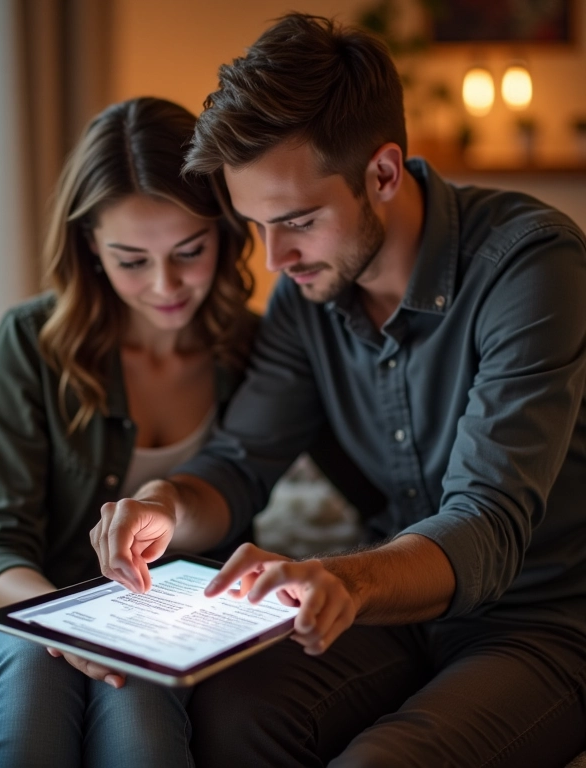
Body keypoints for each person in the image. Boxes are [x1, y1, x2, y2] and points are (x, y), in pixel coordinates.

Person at [92, 15, 586, 768]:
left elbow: (486, 522)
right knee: (229, 716)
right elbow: (239, 465)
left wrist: (345, 579)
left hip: (547, 619)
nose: (273, 258)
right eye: (254, 225)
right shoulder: (307, 298)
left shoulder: (531, 267)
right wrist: (166, 503)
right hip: (404, 610)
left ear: (383, 174)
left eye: (296, 222)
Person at [0, 96, 256, 768]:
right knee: (38, 664)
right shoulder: (32, 342)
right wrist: (69, 629)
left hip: (171, 630)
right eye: (132, 260)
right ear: (90, 246)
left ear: (227, 231)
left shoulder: (255, 350)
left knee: (140, 690)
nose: (166, 285)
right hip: (20, 622)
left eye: (191, 250)